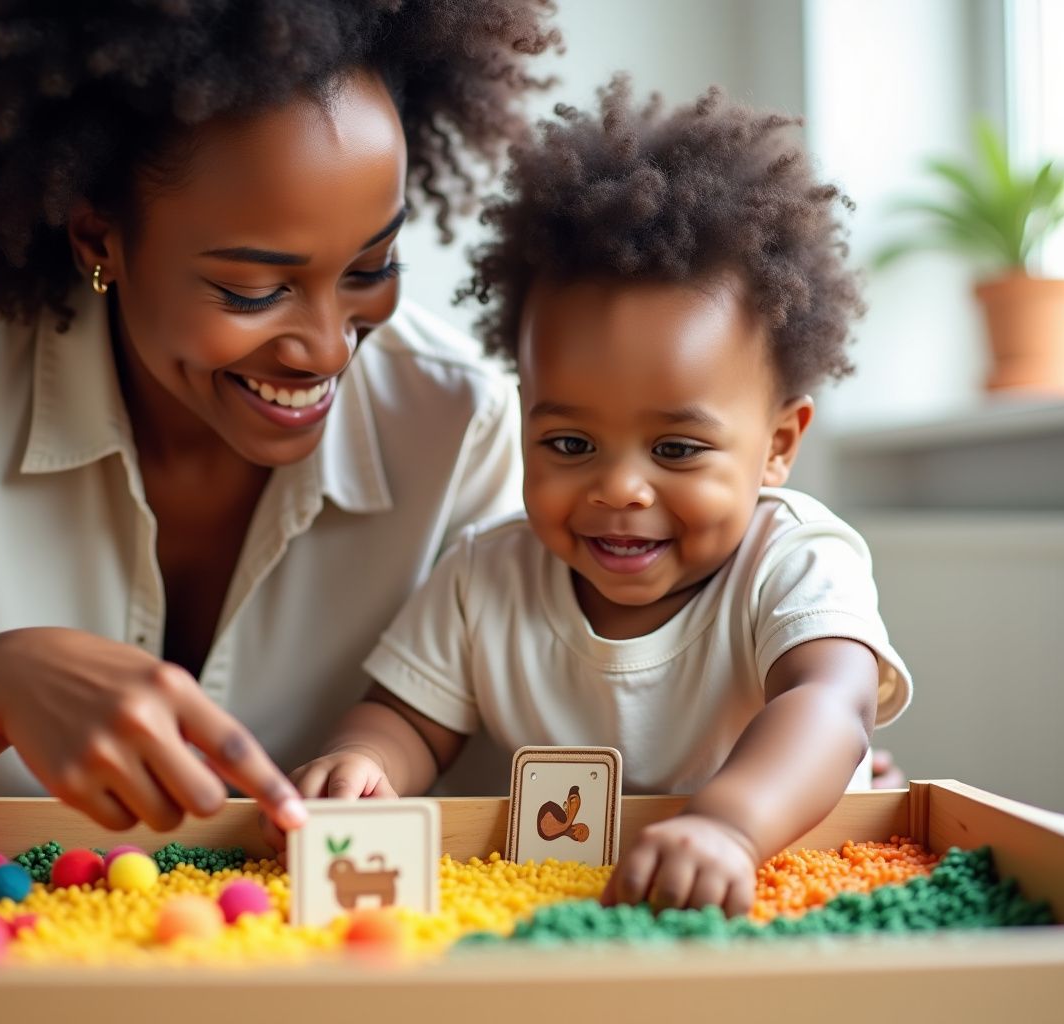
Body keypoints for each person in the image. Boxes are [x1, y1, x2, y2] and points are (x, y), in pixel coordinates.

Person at [0, 1, 562, 837]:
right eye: (255, 290)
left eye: (373, 266)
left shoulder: (459, 425)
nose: (330, 349)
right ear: (99, 242)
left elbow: (553, 756)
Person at [282, 80, 914, 916]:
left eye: (677, 449)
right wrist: (363, 764)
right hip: (551, 890)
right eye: (569, 444)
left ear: (779, 446)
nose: (618, 489)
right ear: (524, 420)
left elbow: (830, 703)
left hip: (766, 857)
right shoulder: (486, 576)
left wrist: (728, 825)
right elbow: (406, 718)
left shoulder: (792, 560)